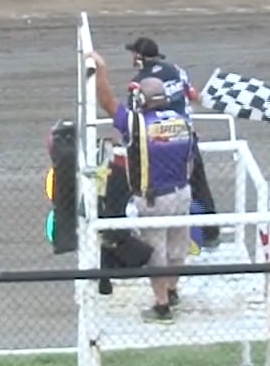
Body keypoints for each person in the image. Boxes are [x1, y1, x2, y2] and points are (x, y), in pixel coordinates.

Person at [87, 57, 196, 323]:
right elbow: (191, 159)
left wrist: (101, 69)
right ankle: (172, 291)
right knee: (177, 249)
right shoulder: (183, 121)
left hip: (154, 199)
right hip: (183, 193)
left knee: (156, 252)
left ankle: (161, 305)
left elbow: (107, 103)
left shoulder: (137, 123)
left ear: (143, 100)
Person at [124, 36, 225, 248]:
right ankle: (210, 234)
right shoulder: (176, 70)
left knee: (150, 186)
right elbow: (192, 94)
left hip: (156, 143)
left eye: (134, 53)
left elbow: (134, 115)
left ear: (140, 57)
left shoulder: (139, 83)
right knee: (198, 184)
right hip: (184, 137)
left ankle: (141, 240)